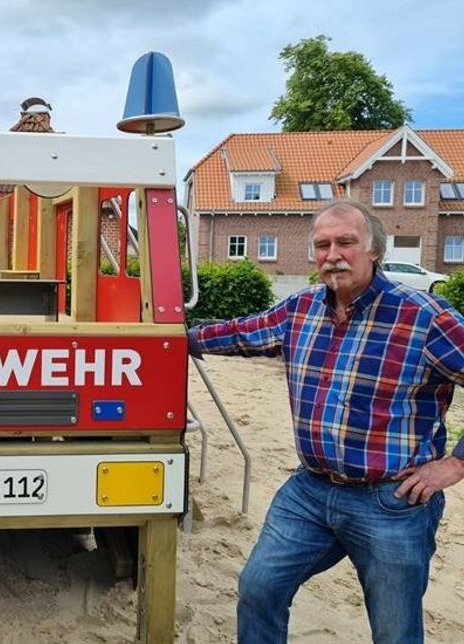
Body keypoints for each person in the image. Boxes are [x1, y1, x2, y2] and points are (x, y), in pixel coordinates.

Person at [187, 200, 464, 644]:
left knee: (395, 631)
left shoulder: (426, 317)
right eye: (323, 245)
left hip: (391, 503)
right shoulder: (300, 309)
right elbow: (240, 333)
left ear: (375, 250)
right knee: (259, 590)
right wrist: (170, 338)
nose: (333, 254)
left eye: (346, 242)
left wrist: (455, 464)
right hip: (310, 492)